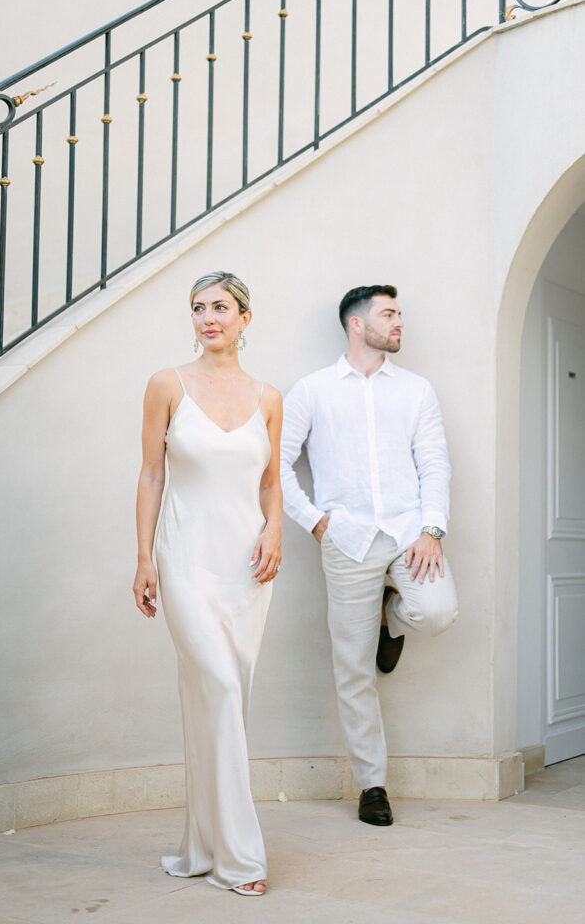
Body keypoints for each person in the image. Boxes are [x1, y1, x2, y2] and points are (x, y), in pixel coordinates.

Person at [280, 285, 458, 827]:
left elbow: (434, 463)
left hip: (409, 533)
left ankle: (393, 621)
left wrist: (432, 529)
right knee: (353, 667)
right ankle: (372, 785)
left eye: (399, 312)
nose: (399, 321)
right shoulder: (312, 391)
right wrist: (316, 522)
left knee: (438, 610)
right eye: (390, 313)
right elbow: (276, 466)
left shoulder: (416, 390)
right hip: (347, 540)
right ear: (357, 324)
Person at [133, 271, 283, 896]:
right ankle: (241, 861)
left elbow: (270, 484)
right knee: (219, 689)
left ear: (246, 318)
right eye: (198, 308)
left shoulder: (269, 397)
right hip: (185, 557)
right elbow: (150, 475)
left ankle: (200, 846)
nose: (207, 318)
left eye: (220, 307)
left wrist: (275, 532)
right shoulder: (167, 384)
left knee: (222, 701)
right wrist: (144, 558)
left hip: (246, 567)